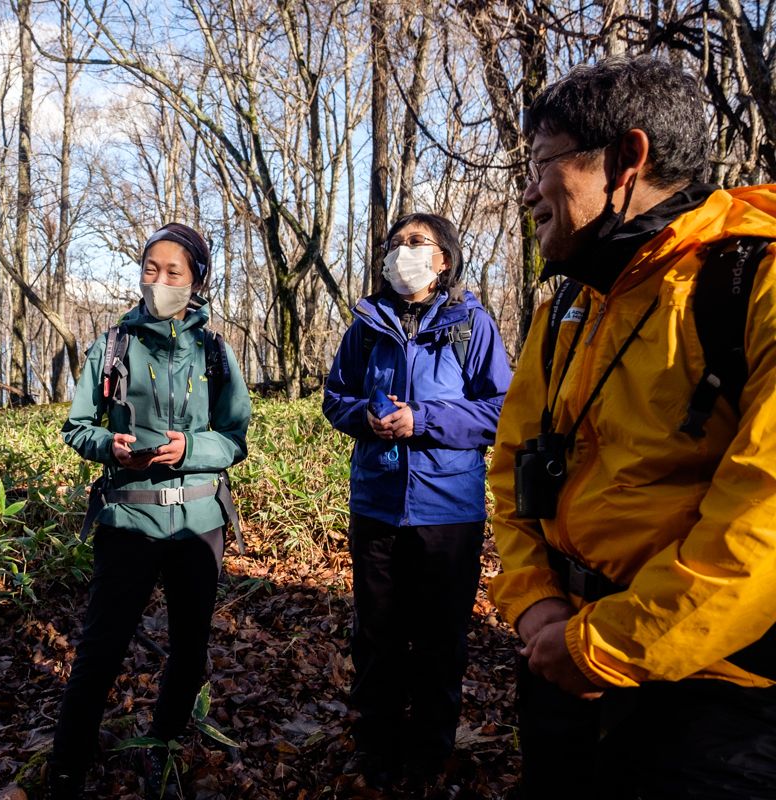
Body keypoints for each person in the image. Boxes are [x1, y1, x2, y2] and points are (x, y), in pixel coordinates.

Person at [489, 55, 776, 800]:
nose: (528, 191)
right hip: (561, 663)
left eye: (542, 164)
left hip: (722, 698)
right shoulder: (567, 305)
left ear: (627, 158)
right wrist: (537, 607)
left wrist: (603, 648)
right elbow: (514, 464)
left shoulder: (754, 280)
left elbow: (762, 526)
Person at [47, 223, 251, 799]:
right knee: (100, 651)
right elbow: (77, 428)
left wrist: (193, 449)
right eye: (151, 269)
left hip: (198, 523)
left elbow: (235, 437)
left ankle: (162, 745)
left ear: (197, 281)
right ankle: (65, 770)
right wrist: (106, 445)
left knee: (190, 649)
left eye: (174, 272)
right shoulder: (112, 345)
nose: (159, 281)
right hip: (127, 520)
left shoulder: (214, 350)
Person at [323, 213, 512, 792]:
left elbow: (500, 408)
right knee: (378, 633)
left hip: (448, 511)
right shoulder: (366, 325)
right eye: (395, 243)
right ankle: (377, 748)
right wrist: (368, 419)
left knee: (440, 637)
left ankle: (430, 754)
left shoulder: (471, 323)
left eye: (416, 243)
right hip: (377, 504)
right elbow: (336, 398)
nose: (402, 252)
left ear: (444, 259)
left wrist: (422, 420)